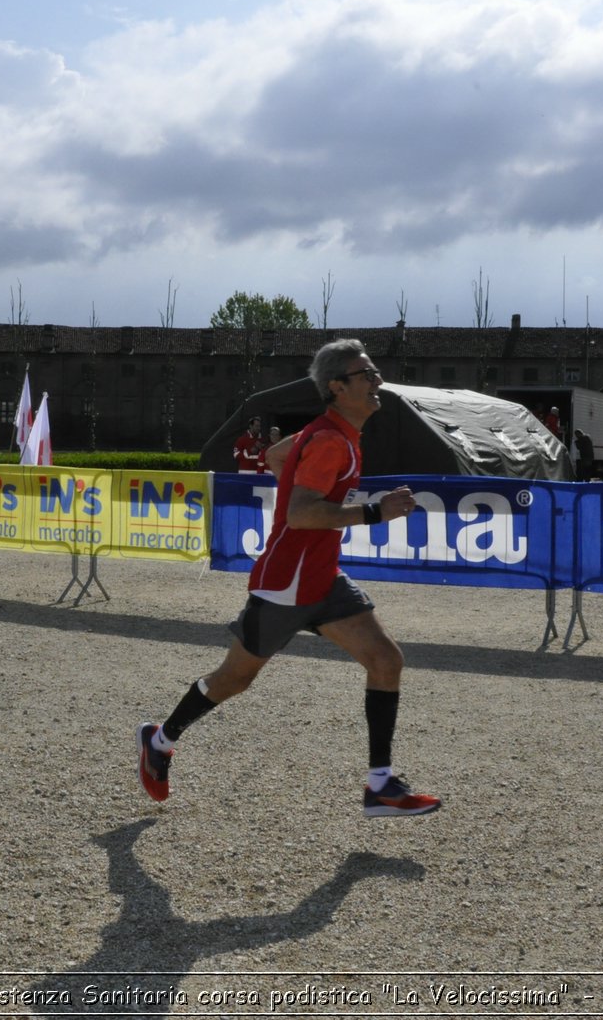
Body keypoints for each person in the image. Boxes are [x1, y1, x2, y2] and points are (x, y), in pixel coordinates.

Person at [137, 338, 441, 818]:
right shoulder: (328, 440)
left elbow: (279, 460)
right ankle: (160, 739)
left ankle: (380, 786)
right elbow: (300, 514)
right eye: (367, 374)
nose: (378, 381)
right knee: (234, 680)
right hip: (287, 585)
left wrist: (308, 459)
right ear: (338, 387)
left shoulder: (331, 433)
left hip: (321, 578)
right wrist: (376, 512)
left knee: (385, 660)